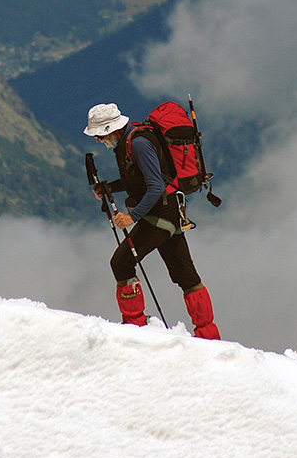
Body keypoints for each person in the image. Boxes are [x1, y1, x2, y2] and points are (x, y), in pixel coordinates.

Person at [84, 102, 220, 339]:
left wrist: (131, 217)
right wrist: (109, 187)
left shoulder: (138, 143)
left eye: (99, 135)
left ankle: (135, 326)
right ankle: (208, 335)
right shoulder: (129, 141)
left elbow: (156, 186)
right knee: (186, 276)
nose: (98, 140)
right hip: (169, 214)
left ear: (110, 129)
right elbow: (142, 179)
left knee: (121, 262)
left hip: (160, 215)